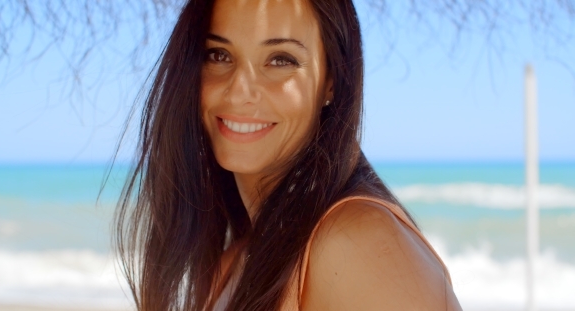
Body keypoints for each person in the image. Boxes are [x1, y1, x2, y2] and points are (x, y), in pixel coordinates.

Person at [114, 0, 463, 310]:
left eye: (281, 60)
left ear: (332, 81)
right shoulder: (236, 261)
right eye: (219, 55)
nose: (239, 91)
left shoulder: (355, 243)